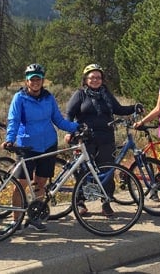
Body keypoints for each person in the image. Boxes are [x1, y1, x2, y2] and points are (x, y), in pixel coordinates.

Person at [0, 63, 80, 234]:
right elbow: (13, 120)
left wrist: (77, 127)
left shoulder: (48, 98)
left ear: (43, 81)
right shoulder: (19, 98)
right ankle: (16, 221)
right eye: (32, 79)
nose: (35, 82)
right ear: (27, 81)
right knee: (20, 185)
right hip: (26, 146)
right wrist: (10, 139)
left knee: (40, 183)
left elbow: (58, 120)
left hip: (48, 145)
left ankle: (34, 216)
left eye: (38, 79)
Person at [65, 63, 143, 215]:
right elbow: (69, 114)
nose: (95, 80)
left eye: (98, 77)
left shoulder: (105, 93)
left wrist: (134, 107)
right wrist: (69, 131)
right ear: (85, 79)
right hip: (86, 138)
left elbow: (118, 109)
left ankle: (106, 202)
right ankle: (80, 202)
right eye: (92, 77)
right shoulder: (80, 94)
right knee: (84, 171)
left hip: (106, 137)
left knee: (107, 170)